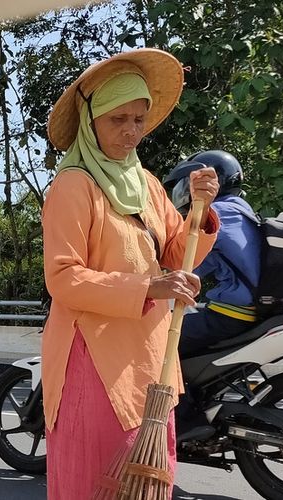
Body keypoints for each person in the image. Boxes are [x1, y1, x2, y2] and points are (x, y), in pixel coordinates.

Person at [42, 48, 220, 498]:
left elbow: (180, 254)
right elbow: (63, 278)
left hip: (152, 357)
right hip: (92, 358)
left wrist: (202, 209)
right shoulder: (73, 186)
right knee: (95, 477)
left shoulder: (147, 184)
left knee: (148, 480)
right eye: (117, 119)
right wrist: (149, 286)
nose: (131, 131)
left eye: (138, 119)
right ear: (91, 122)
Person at [164, 150, 262, 359]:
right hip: (247, 309)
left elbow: (184, 264)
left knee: (159, 339)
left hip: (232, 314)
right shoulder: (238, 210)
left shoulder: (217, 213)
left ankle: (179, 393)